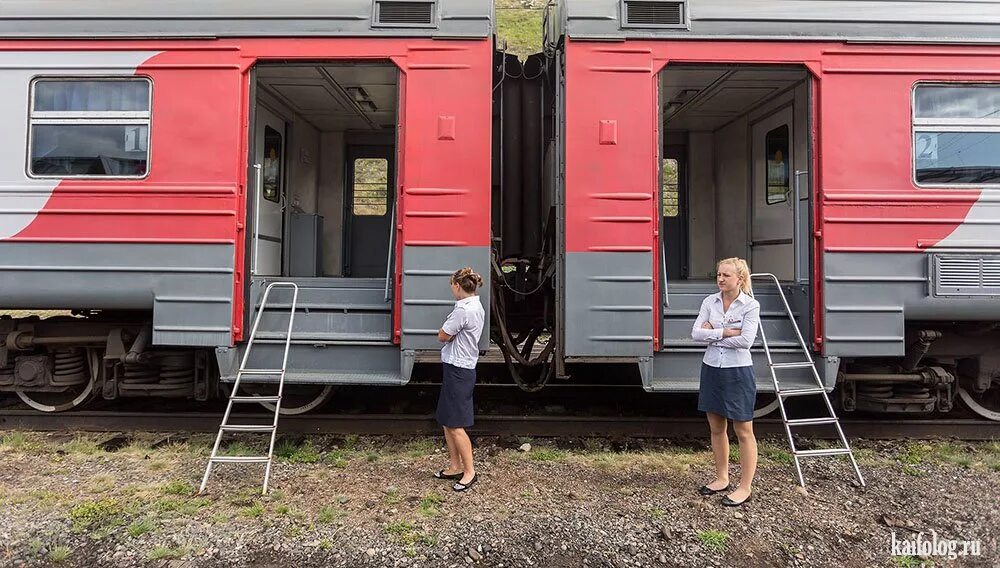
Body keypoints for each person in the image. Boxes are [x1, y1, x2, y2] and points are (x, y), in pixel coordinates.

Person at [690, 257, 761, 507]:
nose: (720, 279)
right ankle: (721, 478)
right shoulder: (709, 301)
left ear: (739, 279)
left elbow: (746, 341)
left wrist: (711, 335)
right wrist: (724, 332)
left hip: (738, 371)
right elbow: (695, 333)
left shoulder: (750, 306)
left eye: (726, 275)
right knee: (716, 427)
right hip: (712, 368)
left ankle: (745, 487)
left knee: (743, 430)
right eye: (718, 274)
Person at [433, 267, 486, 491]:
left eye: (451, 286)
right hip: (458, 368)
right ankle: (455, 466)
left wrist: (447, 334)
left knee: (455, 425)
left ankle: (469, 472)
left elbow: (442, 335)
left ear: (457, 285)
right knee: (448, 421)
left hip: (459, 370)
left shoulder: (463, 310)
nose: (452, 290)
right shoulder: (475, 305)